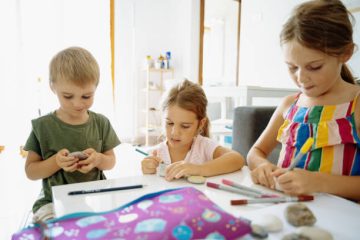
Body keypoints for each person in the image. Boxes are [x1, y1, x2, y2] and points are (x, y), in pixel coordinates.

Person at [247, 0, 360, 201]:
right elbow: (255, 152)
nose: (300, 78)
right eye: (292, 67)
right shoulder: (289, 105)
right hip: (287, 213)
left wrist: (319, 182)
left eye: (314, 67)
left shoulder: (356, 105)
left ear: (345, 53)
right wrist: (262, 166)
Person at [24, 46, 121, 222]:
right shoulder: (43, 126)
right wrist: (56, 162)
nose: (78, 104)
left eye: (86, 96)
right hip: (52, 201)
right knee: (55, 230)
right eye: (68, 96)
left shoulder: (101, 123)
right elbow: (31, 172)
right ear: (52, 87)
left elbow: (110, 162)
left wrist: (98, 159)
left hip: (95, 197)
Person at [141, 79, 245, 181]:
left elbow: (237, 159)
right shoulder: (156, 153)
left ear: (200, 124)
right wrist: (147, 168)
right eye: (170, 123)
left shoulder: (204, 146)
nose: (174, 132)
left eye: (185, 126)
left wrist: (199, 169)